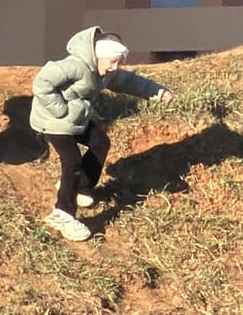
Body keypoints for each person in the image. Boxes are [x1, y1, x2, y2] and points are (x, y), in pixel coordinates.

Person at [29, 26, 174, 242]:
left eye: (118, 62)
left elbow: (129, 82)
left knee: (100, 143)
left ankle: (80, 186)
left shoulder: (106, 73)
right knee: (72, 161)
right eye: (112, 61)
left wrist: (158, 92)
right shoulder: (75, 66)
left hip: (76, 119)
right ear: (98, 55)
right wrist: (61, 110)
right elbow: (42, 83)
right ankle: (62, 213)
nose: (114, 67)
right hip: (53, 121)